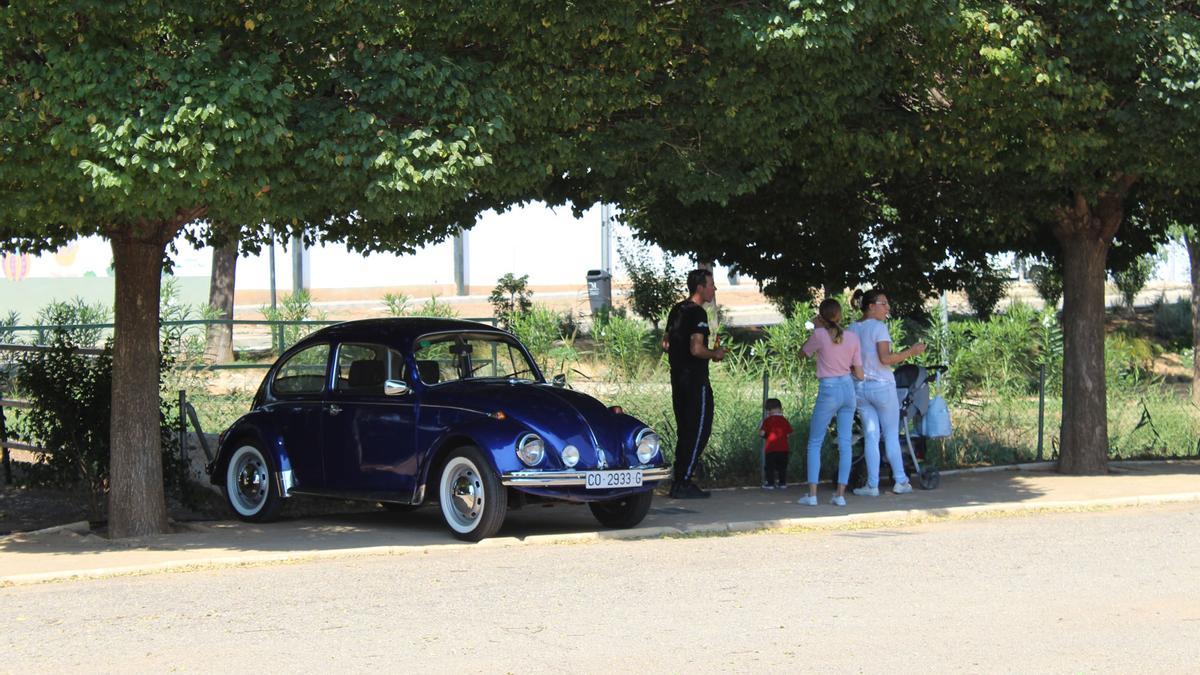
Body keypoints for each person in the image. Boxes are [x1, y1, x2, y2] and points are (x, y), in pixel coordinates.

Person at [848, 289, 926, 497]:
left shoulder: (852, 328)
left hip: (860, 388)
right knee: (891, 434)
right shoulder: (879, 327)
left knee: (871, 436)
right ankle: (900, 481)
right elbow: (885, 359)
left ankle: (872, 485)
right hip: (882, 386)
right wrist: (911, 352)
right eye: (884, 303)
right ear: (871, 306)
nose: (887, 308)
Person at [662, 268, 726, 499]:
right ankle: (684, 482)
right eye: (711, 284)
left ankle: (679, 479)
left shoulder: (677, 310)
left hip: (677, 378)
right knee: (700, 429)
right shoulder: (698, 313)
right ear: (700, 287)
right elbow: (697, 348)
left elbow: (666, 344)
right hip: (695, 380)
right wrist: (715, 353)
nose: (714, 289)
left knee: (686, 430)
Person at [798, 298, 863, 507]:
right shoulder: (852, 337)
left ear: (821, 316)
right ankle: (840, 495)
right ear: (840, 316)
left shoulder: (819, 335)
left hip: (829, 389)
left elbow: (802, 354)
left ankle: (812, 495)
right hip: (848, 388)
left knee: (815, 442)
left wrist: (817, 328)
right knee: (845, 443)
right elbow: (859, 373)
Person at [759, 398, 793, 489]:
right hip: (784, 449)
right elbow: (789, 434)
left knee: (770, 467)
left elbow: (761, 433)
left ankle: (770, 483)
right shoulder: (784, 420)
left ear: (768, 410)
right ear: (780, 408)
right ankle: (782, 483)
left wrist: (766, 436)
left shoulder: (767, 420)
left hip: (771, 448)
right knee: (782, 467)